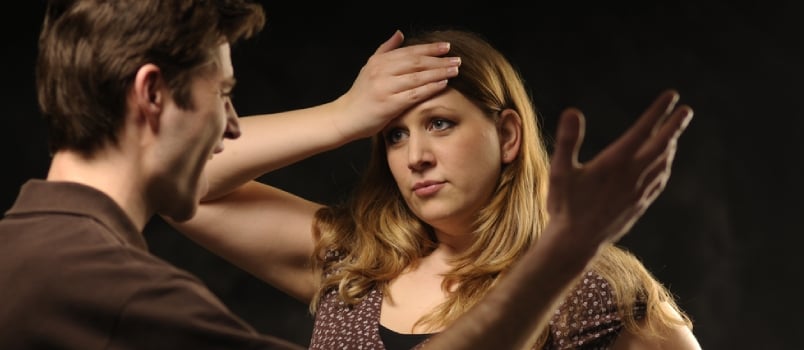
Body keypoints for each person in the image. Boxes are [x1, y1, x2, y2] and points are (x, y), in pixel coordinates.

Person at [171, 29, 702, 349]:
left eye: (440, 123)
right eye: (395, 135)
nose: (416, 155)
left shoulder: (588, 287)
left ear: (508, 135)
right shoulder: (355, 263)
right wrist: (343, 117)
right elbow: (180, 177)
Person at [0, 0, 461, 348]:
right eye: (222, 94)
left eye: (440, 125)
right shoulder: (123, 295)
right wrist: (342, 116)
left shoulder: (22, 250)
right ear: (153, 94)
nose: (234, 125)